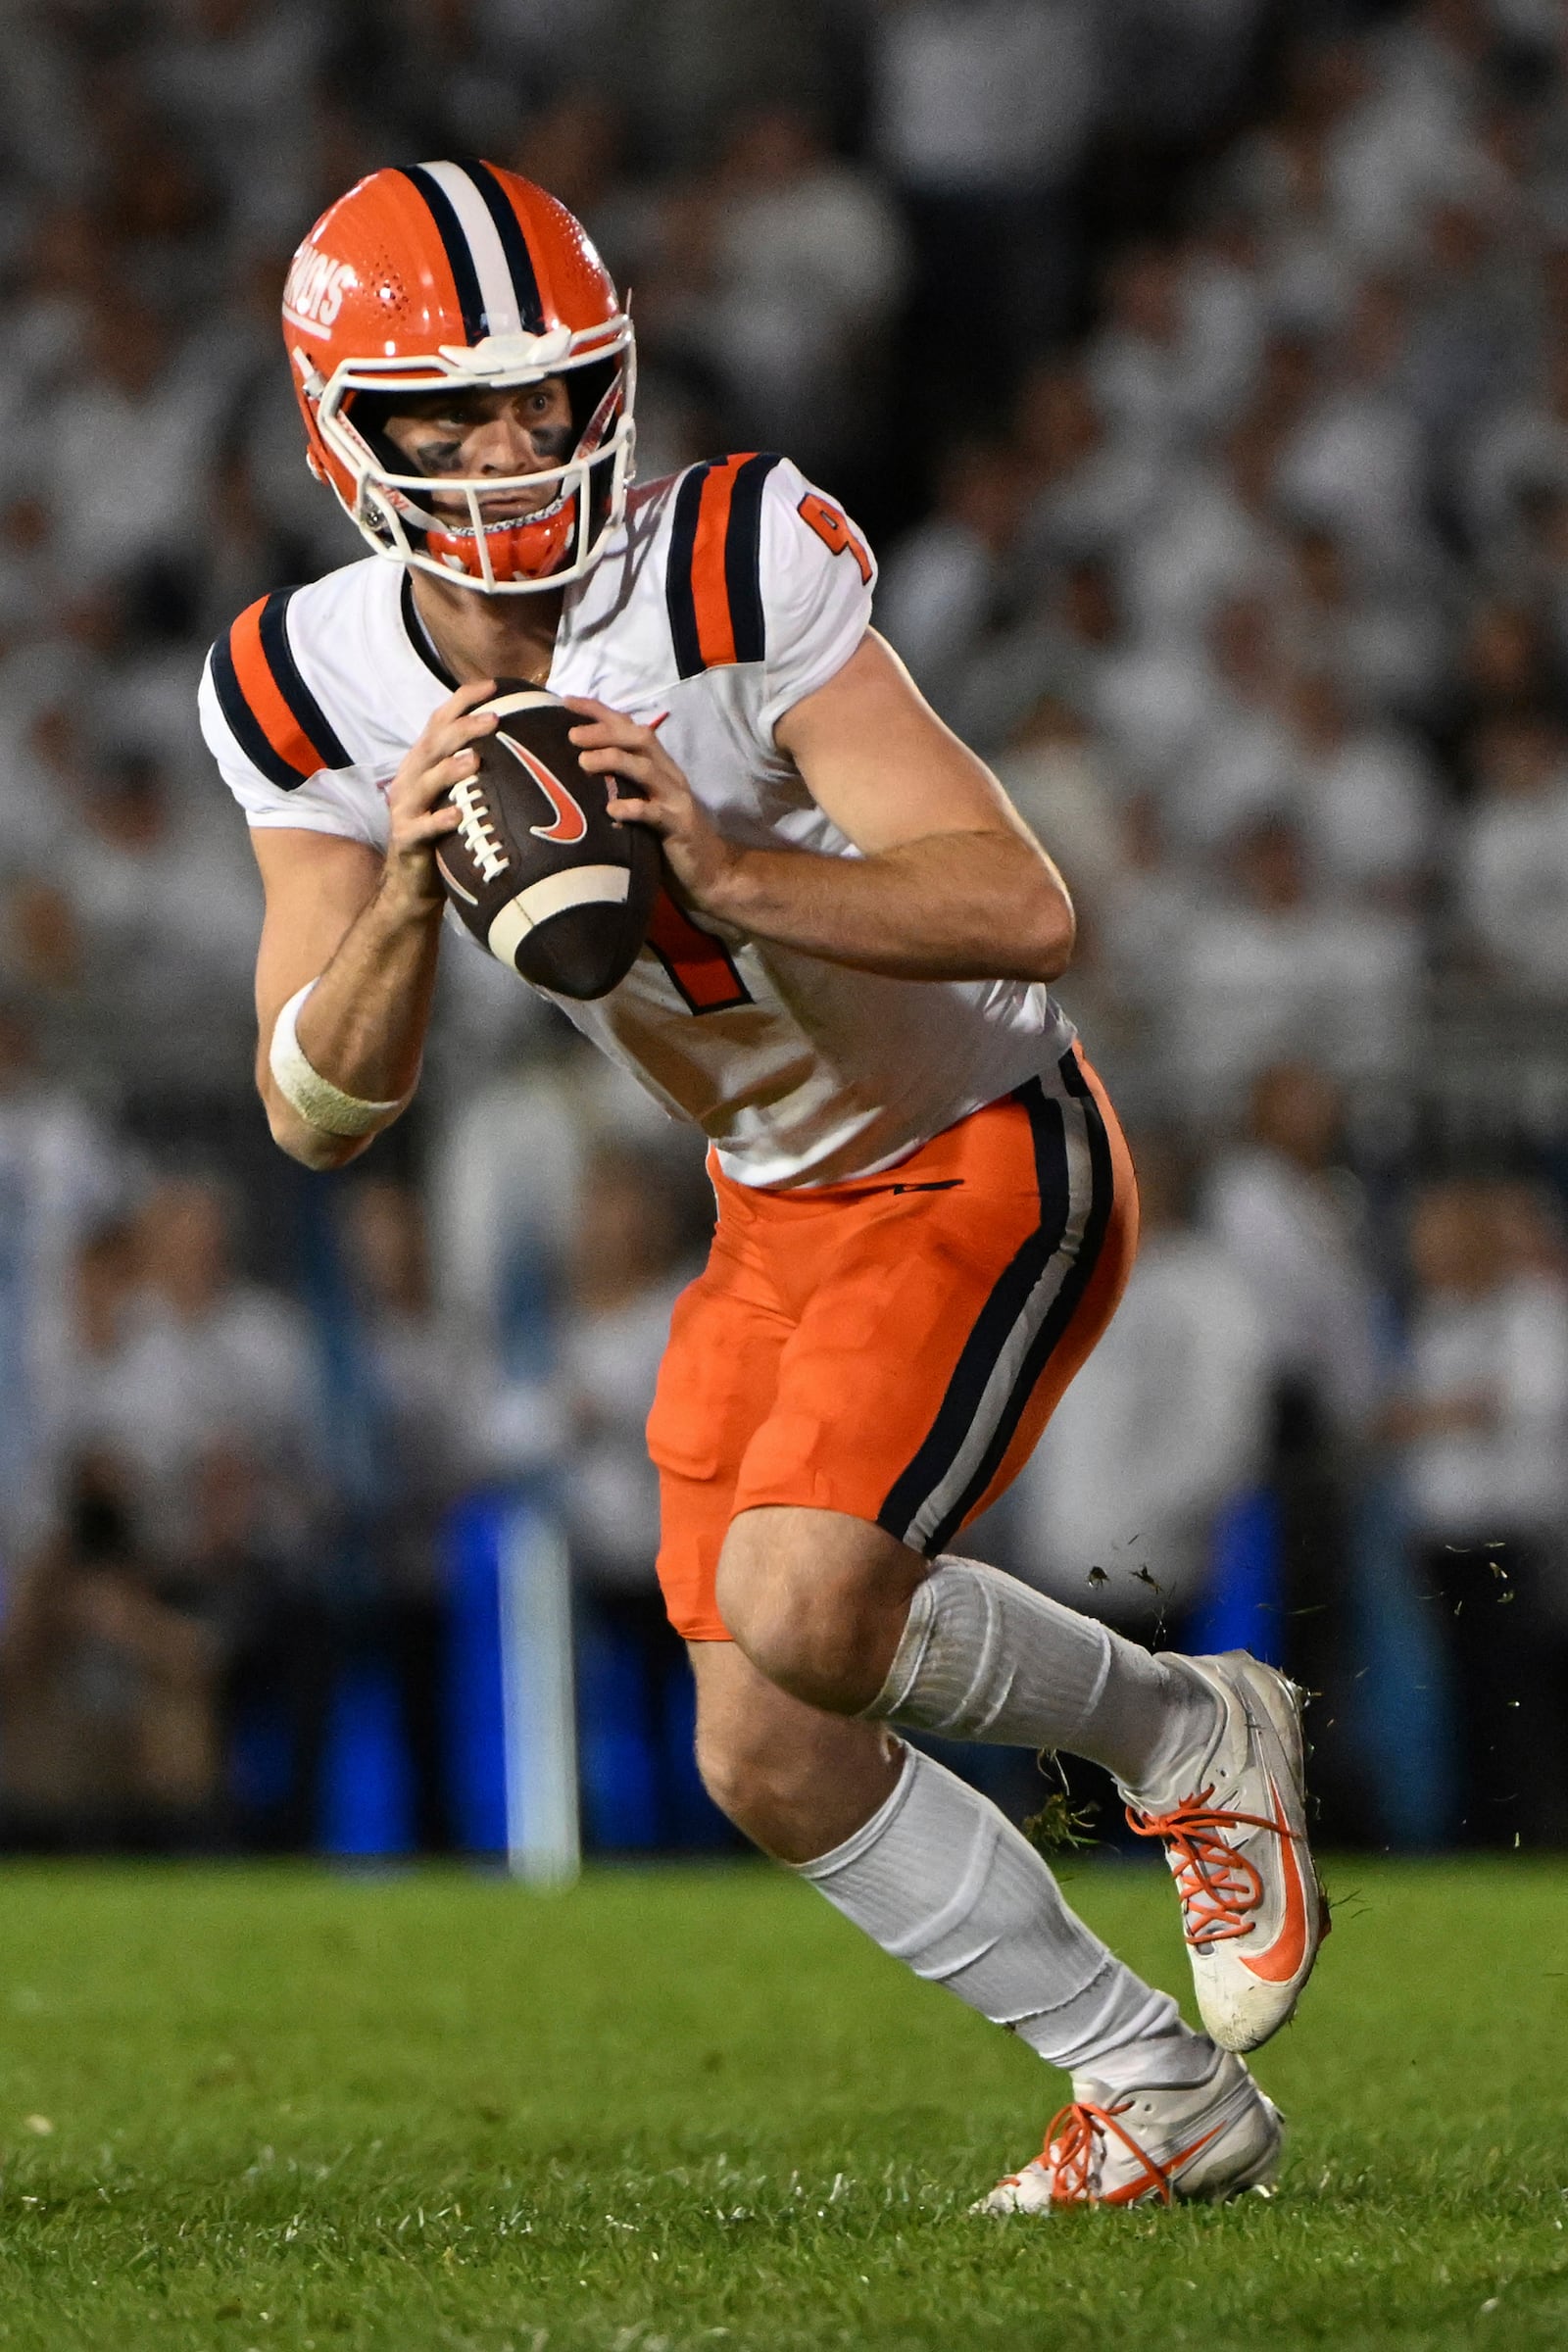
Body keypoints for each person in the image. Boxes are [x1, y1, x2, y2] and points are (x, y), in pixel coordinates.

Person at [198, 160, 1327, 2210]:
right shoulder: (300, 684)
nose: (519, 446)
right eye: (456, 407)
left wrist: (722, 866)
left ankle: (1182, 1734)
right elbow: (311, 1107)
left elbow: (1020, 901)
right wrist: (398, 888)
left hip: (980, 1140)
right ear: (344, 427)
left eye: (555, 396)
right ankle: (1156, 2096)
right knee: (760, 1744)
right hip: (768, 1197)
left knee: (811, 1608)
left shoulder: (724, 561)